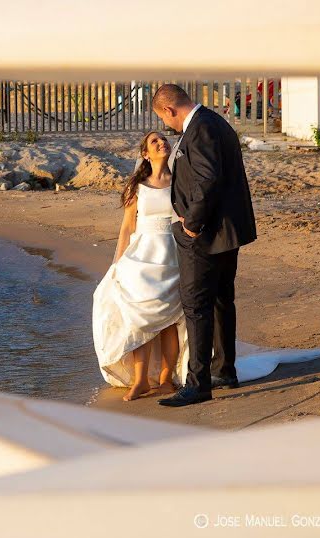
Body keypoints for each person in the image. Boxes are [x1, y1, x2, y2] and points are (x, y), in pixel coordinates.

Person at [152, 84, 257, 407]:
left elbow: (208, 178)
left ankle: (198, 383)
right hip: (225, 231)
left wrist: (192, 223)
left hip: (207, 233)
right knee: (221, 300)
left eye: (164, 120)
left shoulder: (201, 128)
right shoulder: (213, 122)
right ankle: (223, 370)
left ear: (170, 110)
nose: (168, 128)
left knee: (196, 304)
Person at [92, 131, 184, 402]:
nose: (162, 143)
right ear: (145, 154)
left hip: (172, 255)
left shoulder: (180, 182)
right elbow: (126, 228)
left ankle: (166, 380)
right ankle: (140, 380)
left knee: (169, 321)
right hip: (140, 257)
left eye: (164, 139)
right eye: (154, 142)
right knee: (138, 319)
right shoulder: (138, 186)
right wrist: (116, 264)